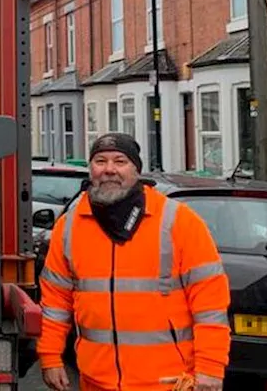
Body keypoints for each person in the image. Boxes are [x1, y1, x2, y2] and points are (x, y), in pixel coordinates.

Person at [38, 133, 231, 391]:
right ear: (90, 168)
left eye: (120, 161)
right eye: (100, 161)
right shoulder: (69, 226)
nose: (109, 170)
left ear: (136, 171)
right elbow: (55, 301)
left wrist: (210, 369)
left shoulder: (179, 222)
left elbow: (210, 305)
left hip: (168, 384)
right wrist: (50, 357)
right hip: (96, 381)